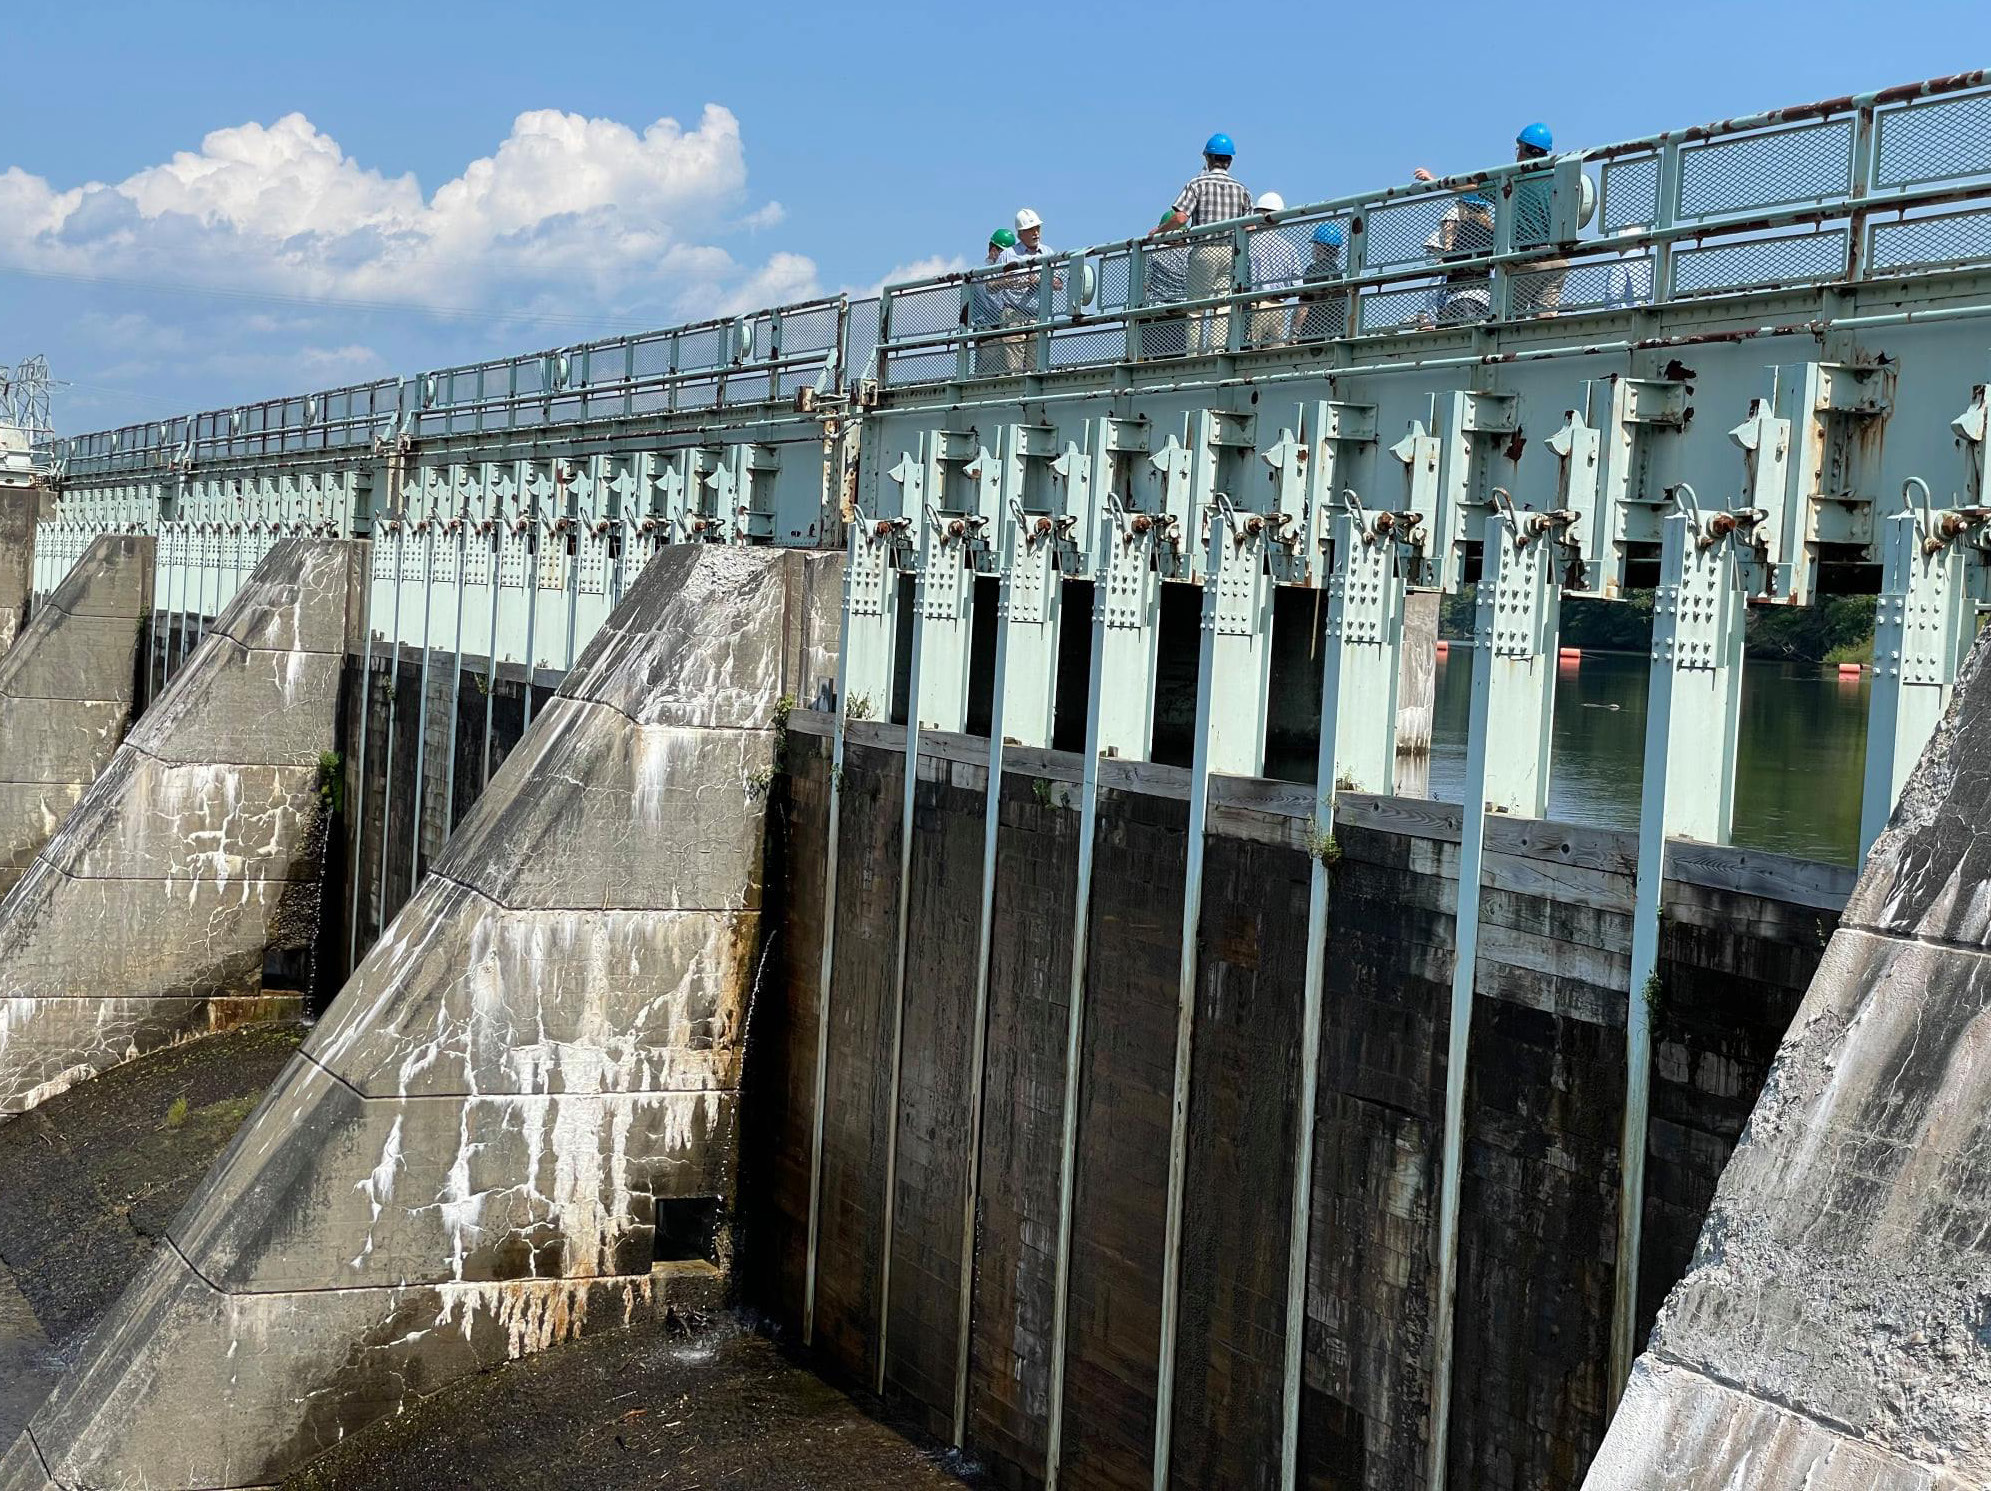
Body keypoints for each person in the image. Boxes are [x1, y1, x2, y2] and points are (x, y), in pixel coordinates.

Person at [1413, 122, 1567, 318]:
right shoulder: (1557, 178)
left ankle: (1508, 350)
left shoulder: (1511, 179)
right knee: (1545, 320)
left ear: (1523, 150)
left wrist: (1435, 181)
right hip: (1558, 259)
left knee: (1507, 318)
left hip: (1527, 259)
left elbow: (1470, 186)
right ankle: (1545, 348)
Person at [1148, 133, 1251, 353]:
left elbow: (1180, 218)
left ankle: (1194, 352)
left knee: (1196, 305)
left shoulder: (1197, 184)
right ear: (1230, 161)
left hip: (1204, 250)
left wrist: (1159, 232)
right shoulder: (1241, 189)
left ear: (1207, 158)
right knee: (1222, 304)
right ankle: (1216, 350)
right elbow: (1250, 226)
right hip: (1231, 251)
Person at [1246, 191, 1304, 347]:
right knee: (1273, 361)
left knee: (1249, 358)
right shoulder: (1289, 248)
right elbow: (1299, 286)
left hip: (1255, 305)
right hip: (1279, 308)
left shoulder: (1249, 244)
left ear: (1259, 214)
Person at [972, 227, 1024, 375]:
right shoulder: (981, 276)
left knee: (1012, 372)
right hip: (989, 331)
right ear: (993, 250)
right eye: (1003, 252)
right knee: (988, 375)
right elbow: (990, 305)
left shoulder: (1004, 274)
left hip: (1006, 327)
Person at [1143, 209, 1191, 357]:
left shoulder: (1152, 253)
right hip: (1184, 311)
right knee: (1179, 360)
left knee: (1153, 360)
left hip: (1156, 312)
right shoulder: (1191, 252)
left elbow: (1145, 284)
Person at [1295, 222, 1349, 341]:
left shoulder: (1312, 270)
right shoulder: (1338, 274)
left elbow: (1304, 305)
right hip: (1335, 333)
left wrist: (1295, 332)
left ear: (1319, 247)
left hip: (1311, 333)